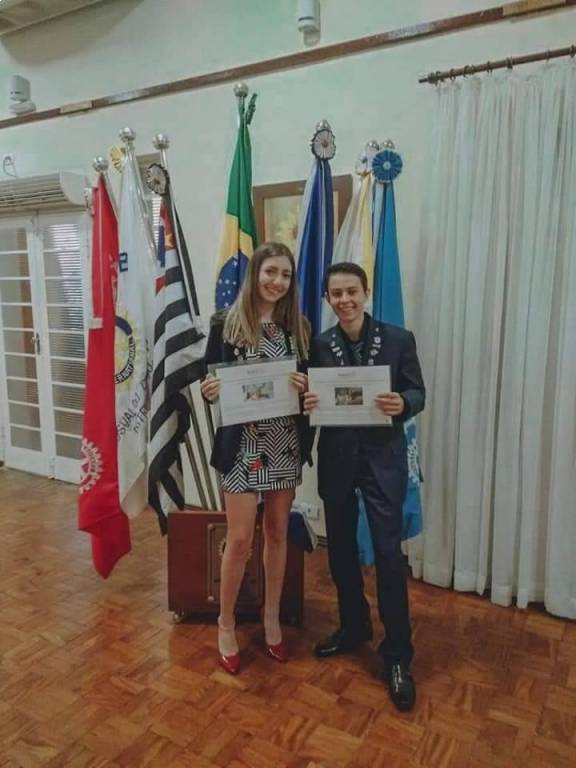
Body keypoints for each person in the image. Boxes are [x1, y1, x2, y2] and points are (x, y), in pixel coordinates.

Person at [303, 262, 425, 711]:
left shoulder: (398, 339)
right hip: (337, 461)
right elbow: (310, 398)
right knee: (339, 552)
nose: (345, 300)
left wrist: (402, 403)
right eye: (336, 294)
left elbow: (418, 392)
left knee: (389, 557)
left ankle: (398, 655)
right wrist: (307, 400)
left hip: (382, 462)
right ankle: (354, 626)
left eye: (351, 292)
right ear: (328, 299)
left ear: (365, 292)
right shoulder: (320, 344)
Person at [201, 242, 311, 675]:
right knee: (240, 538)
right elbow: (211, 382)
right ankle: (226, 622)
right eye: (270, 272)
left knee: (278, 532)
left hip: (284, 441)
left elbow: (310, 387)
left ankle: (271, 618)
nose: (277, 282)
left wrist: (305, 386)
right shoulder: (225, 324)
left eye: (285, 275)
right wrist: (210, 390)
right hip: (242, 446)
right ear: (255, 274)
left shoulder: (298, 327)